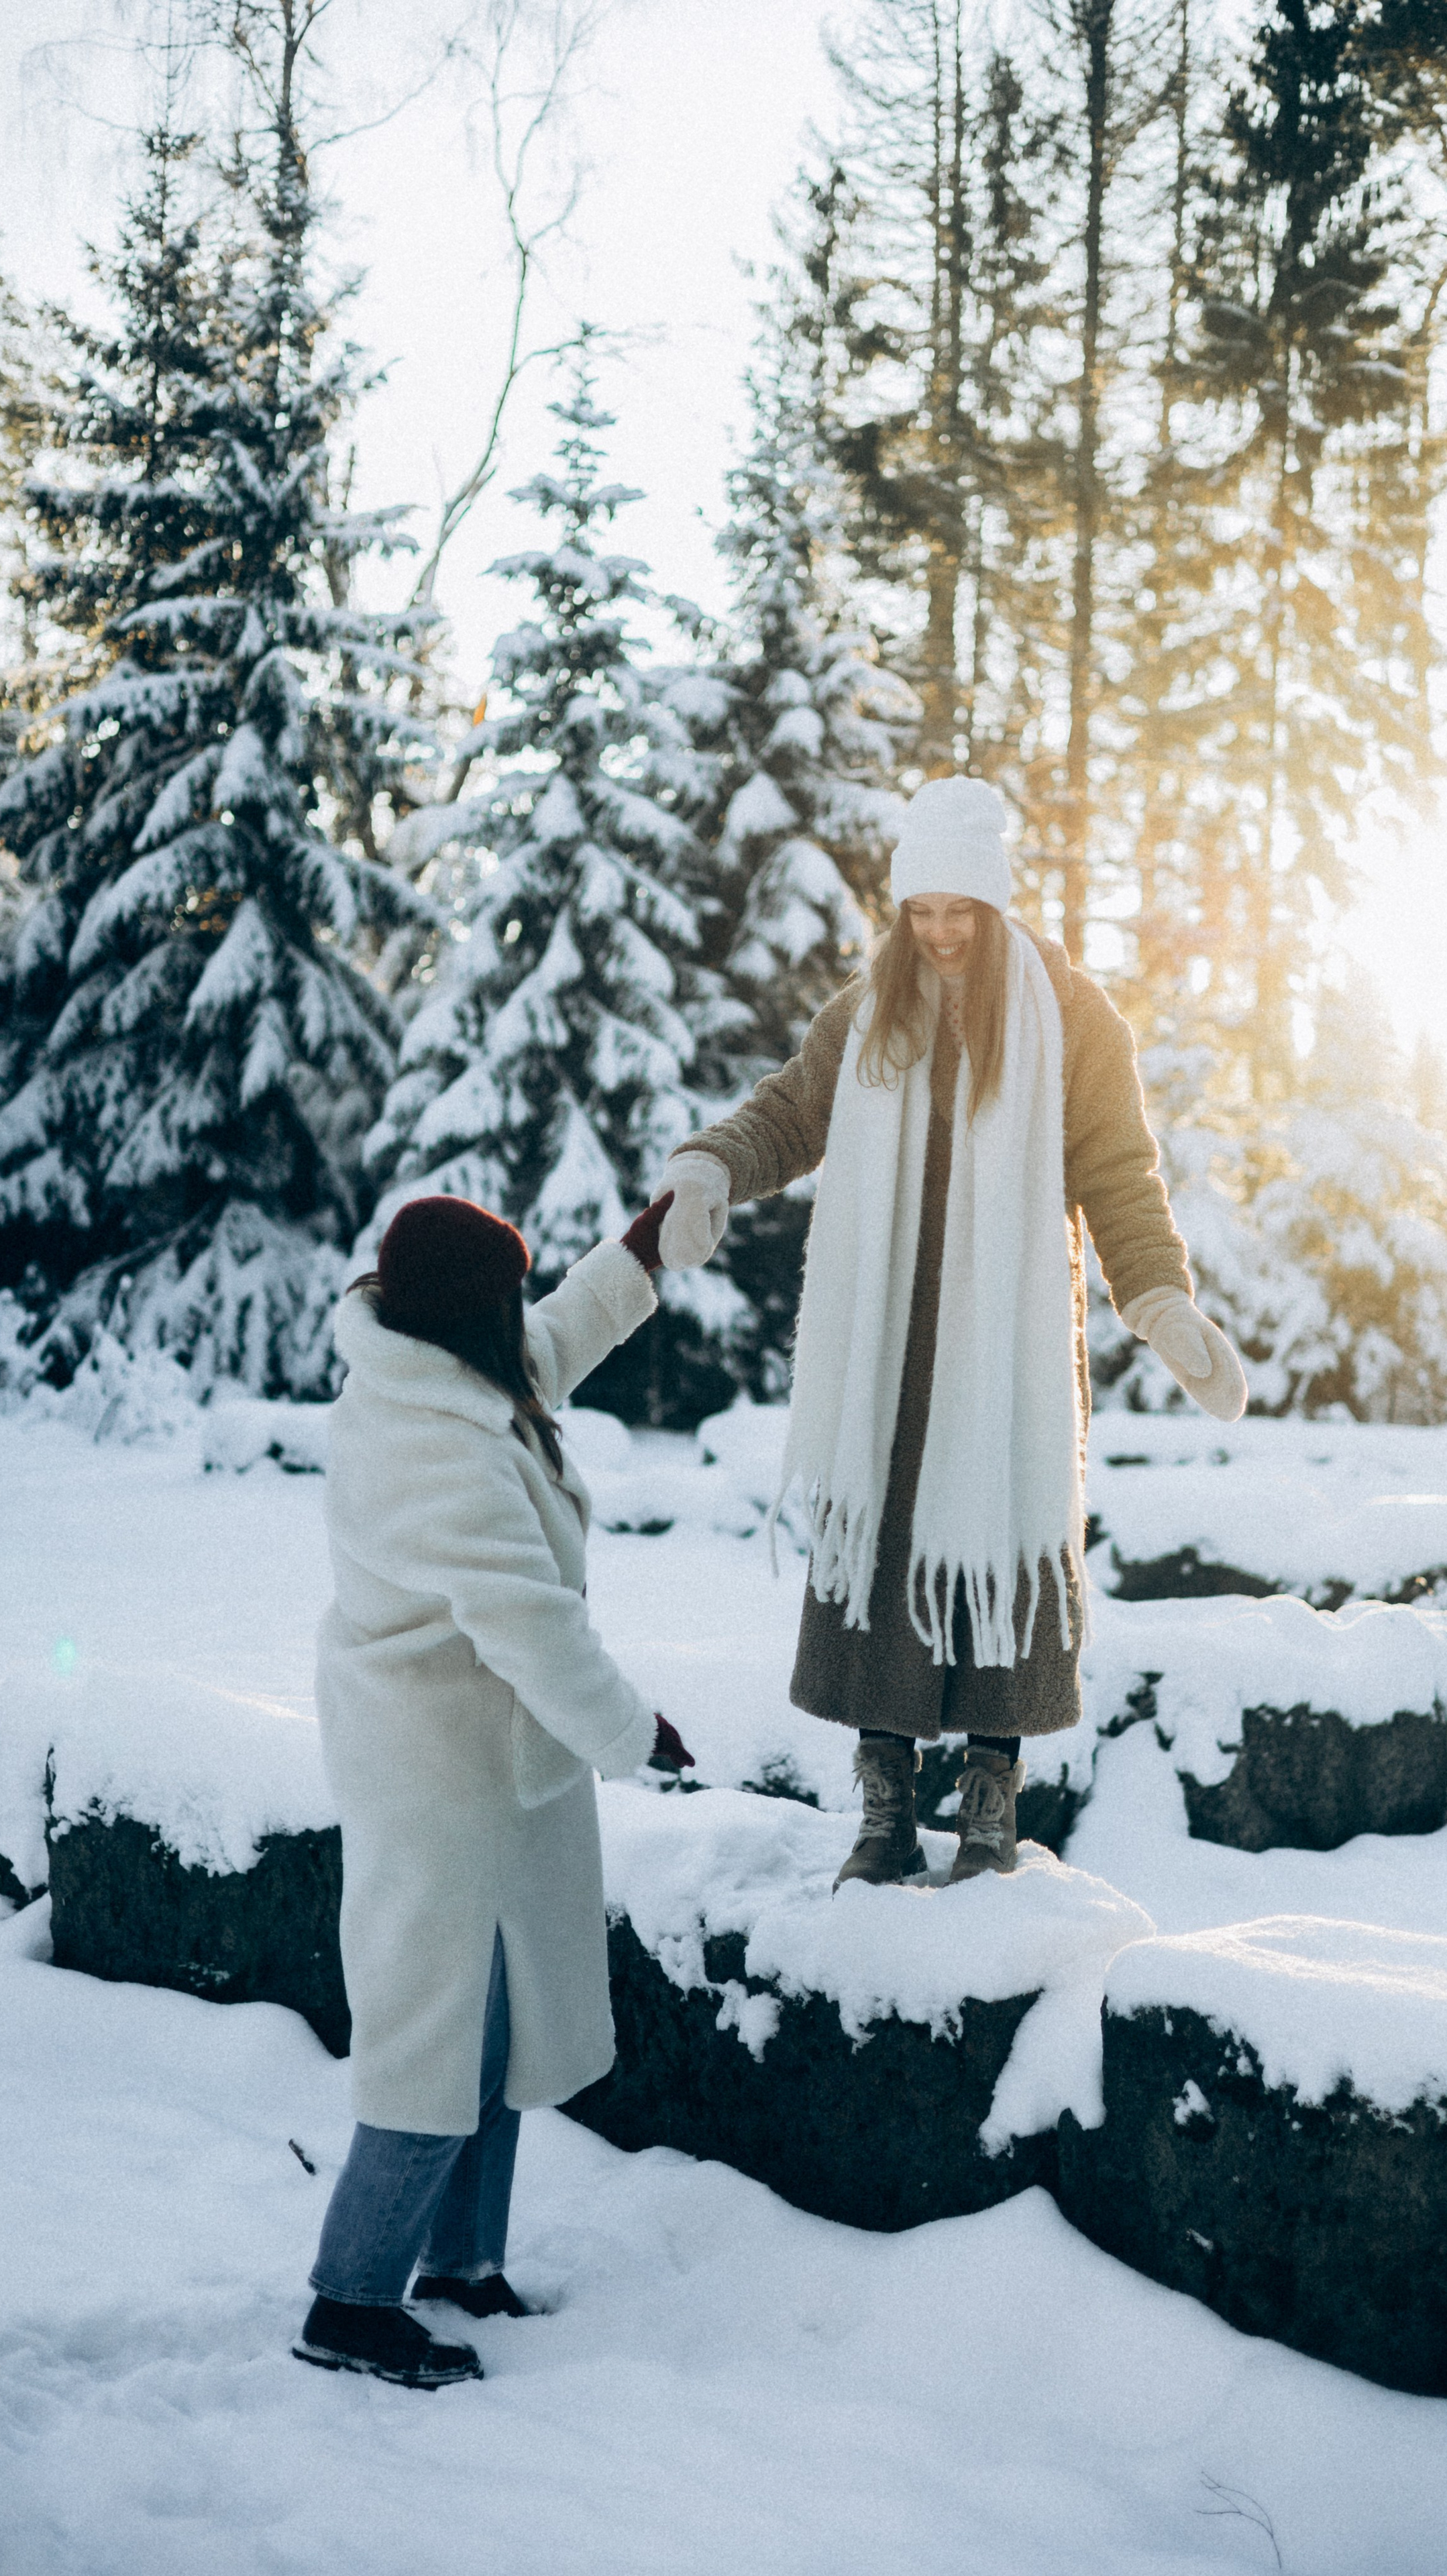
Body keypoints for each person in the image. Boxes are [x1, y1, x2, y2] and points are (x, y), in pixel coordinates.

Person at [657, 775, 1246, 1891]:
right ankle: (883, 1810)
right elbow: (793, 1110)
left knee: (996, 1556)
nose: (937, 934)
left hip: (1003, 1344)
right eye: (920, 911)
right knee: (884, 1562)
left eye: (959, 912)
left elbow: (1119, 1173)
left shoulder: (1073, 1018)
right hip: (888, 1345)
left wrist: (1161, 1302)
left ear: (997, 901)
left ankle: (989, 1808)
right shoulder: (869, 1008)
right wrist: (712, 1168)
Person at [296, 1189, 691, 2390]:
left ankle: (458, 2264)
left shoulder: (450, 1370)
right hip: (432, 1767)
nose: (523, 1321)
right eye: (506, 1300)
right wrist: (636, 1733)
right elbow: (533, 1629)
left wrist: (640, 1255)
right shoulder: (429, 1448)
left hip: (488, 1759)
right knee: (432, 2032)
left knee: (500, 2017)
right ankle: (350, 2302)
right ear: (471, 1313)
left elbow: (556, 1341)